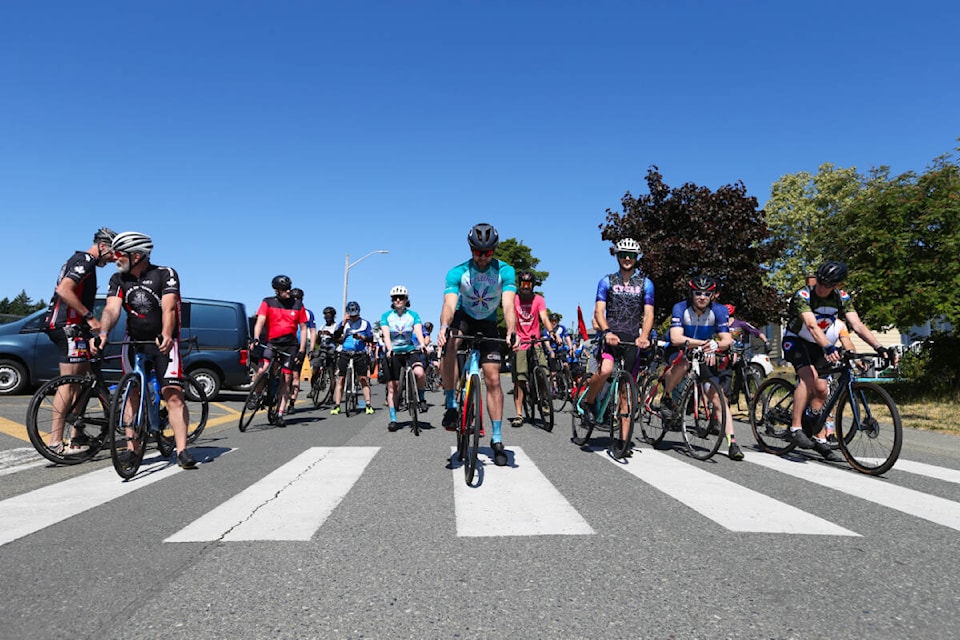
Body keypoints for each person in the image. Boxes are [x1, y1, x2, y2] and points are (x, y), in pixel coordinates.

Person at [96, 231, 197, 469]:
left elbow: (169, 308)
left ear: (138, 256)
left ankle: (182, 450)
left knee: (172, 393)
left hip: (163, 340)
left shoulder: (164, 274)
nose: (115, 257)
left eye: (120, 253)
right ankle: (132, 449)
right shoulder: (118, 279)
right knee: (132, 392)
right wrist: (103, 333)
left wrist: (166, 334)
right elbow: (111, 309)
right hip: (134, 341)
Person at [782, 261, 896, 460]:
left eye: (828, 285)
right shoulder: (804, 295)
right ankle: (796, 428)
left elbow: (857, 325)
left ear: (837, 285)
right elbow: (811, 325)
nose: (822, 287)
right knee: (809, 377)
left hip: (819, 343)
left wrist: (879, 347)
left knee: (822, 390)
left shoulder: (842, 298)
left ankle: (819, 438)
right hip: (797, 340)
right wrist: (828, 346)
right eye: (820, 282)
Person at [437, 222, 517, 467]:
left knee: (493, 378)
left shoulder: (505, 271)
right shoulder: (457, 272)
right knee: (451, 341)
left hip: (489, 322)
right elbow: (450, 305)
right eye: (478, 252)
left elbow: (508, 305)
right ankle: (451, 404)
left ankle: (496, 437)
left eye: (488, 253)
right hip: (464, 318)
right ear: (471, 249)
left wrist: (512, 329)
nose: (483, 258)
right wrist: (443, 327)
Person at [41, 227, 117, 455]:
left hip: (76, 328)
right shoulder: (84, 260)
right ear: (102, 246)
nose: (114, 259)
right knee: (69, 382)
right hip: (67, 326)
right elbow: (64, 290)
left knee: (84, 379)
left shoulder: (86, 263)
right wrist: (90, 318)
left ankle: (77, 434)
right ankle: (55, 441)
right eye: (113, 253)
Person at [579, 238, 654, 455]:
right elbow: (598, 311)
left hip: (632, 339)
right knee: (605, 370)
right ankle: (590, 403)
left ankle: (623, 440)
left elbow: (648, 313)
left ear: (637, 258)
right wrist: (606, 331)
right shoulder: (607, 281)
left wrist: (645, 336)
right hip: (611, 337)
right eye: (623, 254)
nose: (627, 258)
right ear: (617, 256)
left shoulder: (645, 284)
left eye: (631, 255)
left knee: (626, 391)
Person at [660, 275, 742, 461]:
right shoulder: (680, 308)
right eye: (698, 293)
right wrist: (706, 342)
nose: (702, 297)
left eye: (707, 293)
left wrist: (716, 345)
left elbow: (727, 339)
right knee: (682, 363)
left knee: (717, 396)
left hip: (703, 350)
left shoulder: (719, 310)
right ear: (691, 293)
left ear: (713, 295)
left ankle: (732, 442)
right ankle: (667, 396)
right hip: (680, 348)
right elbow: (676, 338)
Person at [249, 275, 308, 428]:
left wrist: (302, 350)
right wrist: (256, 338)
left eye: (289, 288)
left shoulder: (297, 305)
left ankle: (280, 413)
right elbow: (260, 321)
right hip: (272, 342)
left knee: (286, 379)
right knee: (263, 369)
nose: (289, 291)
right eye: (285, 289)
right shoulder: (268, 302)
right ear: (277, 290)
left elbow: (303, 328)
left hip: (290, 346)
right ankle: (256, 395)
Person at [380, 285, 429, 431]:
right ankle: (393, 419)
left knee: (420, 373)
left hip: (409, 350)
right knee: (392, 387)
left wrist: (421, 344)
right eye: (395, 298)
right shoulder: (386, 316)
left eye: (401, 297)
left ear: (406, 299)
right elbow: (386, 335)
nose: (398, 300)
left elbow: (418, 331)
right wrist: (389, 349)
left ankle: (421, 398)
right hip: (394, 352)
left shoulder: (413, 315)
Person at [509, 271, 553, 429]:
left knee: (543, 372)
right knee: (520, 379)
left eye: (528, 285)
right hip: (521, 342)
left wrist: (551, 332)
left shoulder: (539, 299)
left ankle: (544, 399)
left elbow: (544, 318)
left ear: (533, 285)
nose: (525, 287)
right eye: (523, 284)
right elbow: (512, 319)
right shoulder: (514, 299)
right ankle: (519, 414)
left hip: (536, 341)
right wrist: (513, 336)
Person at [330, 301, 375, 415]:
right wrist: (344, 323)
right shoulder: (344, 323)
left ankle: (368, 404)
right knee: (341, 379)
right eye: (351, 315)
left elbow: (370, 338)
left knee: (363, 379)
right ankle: (337, 405)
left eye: (355, 315)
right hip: (345, 352)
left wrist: (362, 337)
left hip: (360, 353)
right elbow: (336, 336)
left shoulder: (365, 323)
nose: (353, 318)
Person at [288, 288, 316, 414]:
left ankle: (292, 402)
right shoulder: (286, 308)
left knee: (295, 375)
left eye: (298, 298)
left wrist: (311, 349)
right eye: (293, 298)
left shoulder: (308, 313)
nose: (296, 300)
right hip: (285, 344)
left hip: (299, 346)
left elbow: (312, 331)